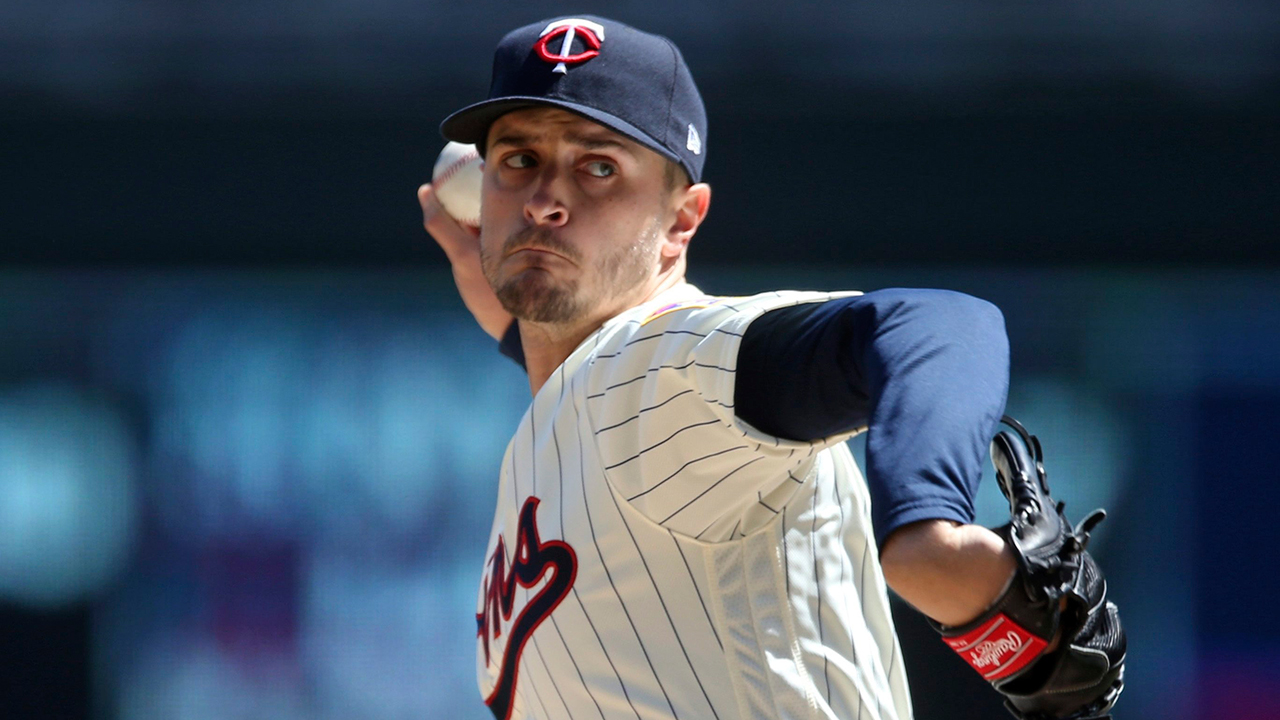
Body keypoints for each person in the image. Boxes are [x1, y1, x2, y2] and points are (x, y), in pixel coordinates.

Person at [419, 16, 1123, 720]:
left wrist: (926, 529)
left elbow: (936, 325)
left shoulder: (658, 365)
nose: (544, 201)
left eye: (599, 167)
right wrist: (526, 329)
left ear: (681, 223)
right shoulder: (577, 410)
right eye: (518, 160)